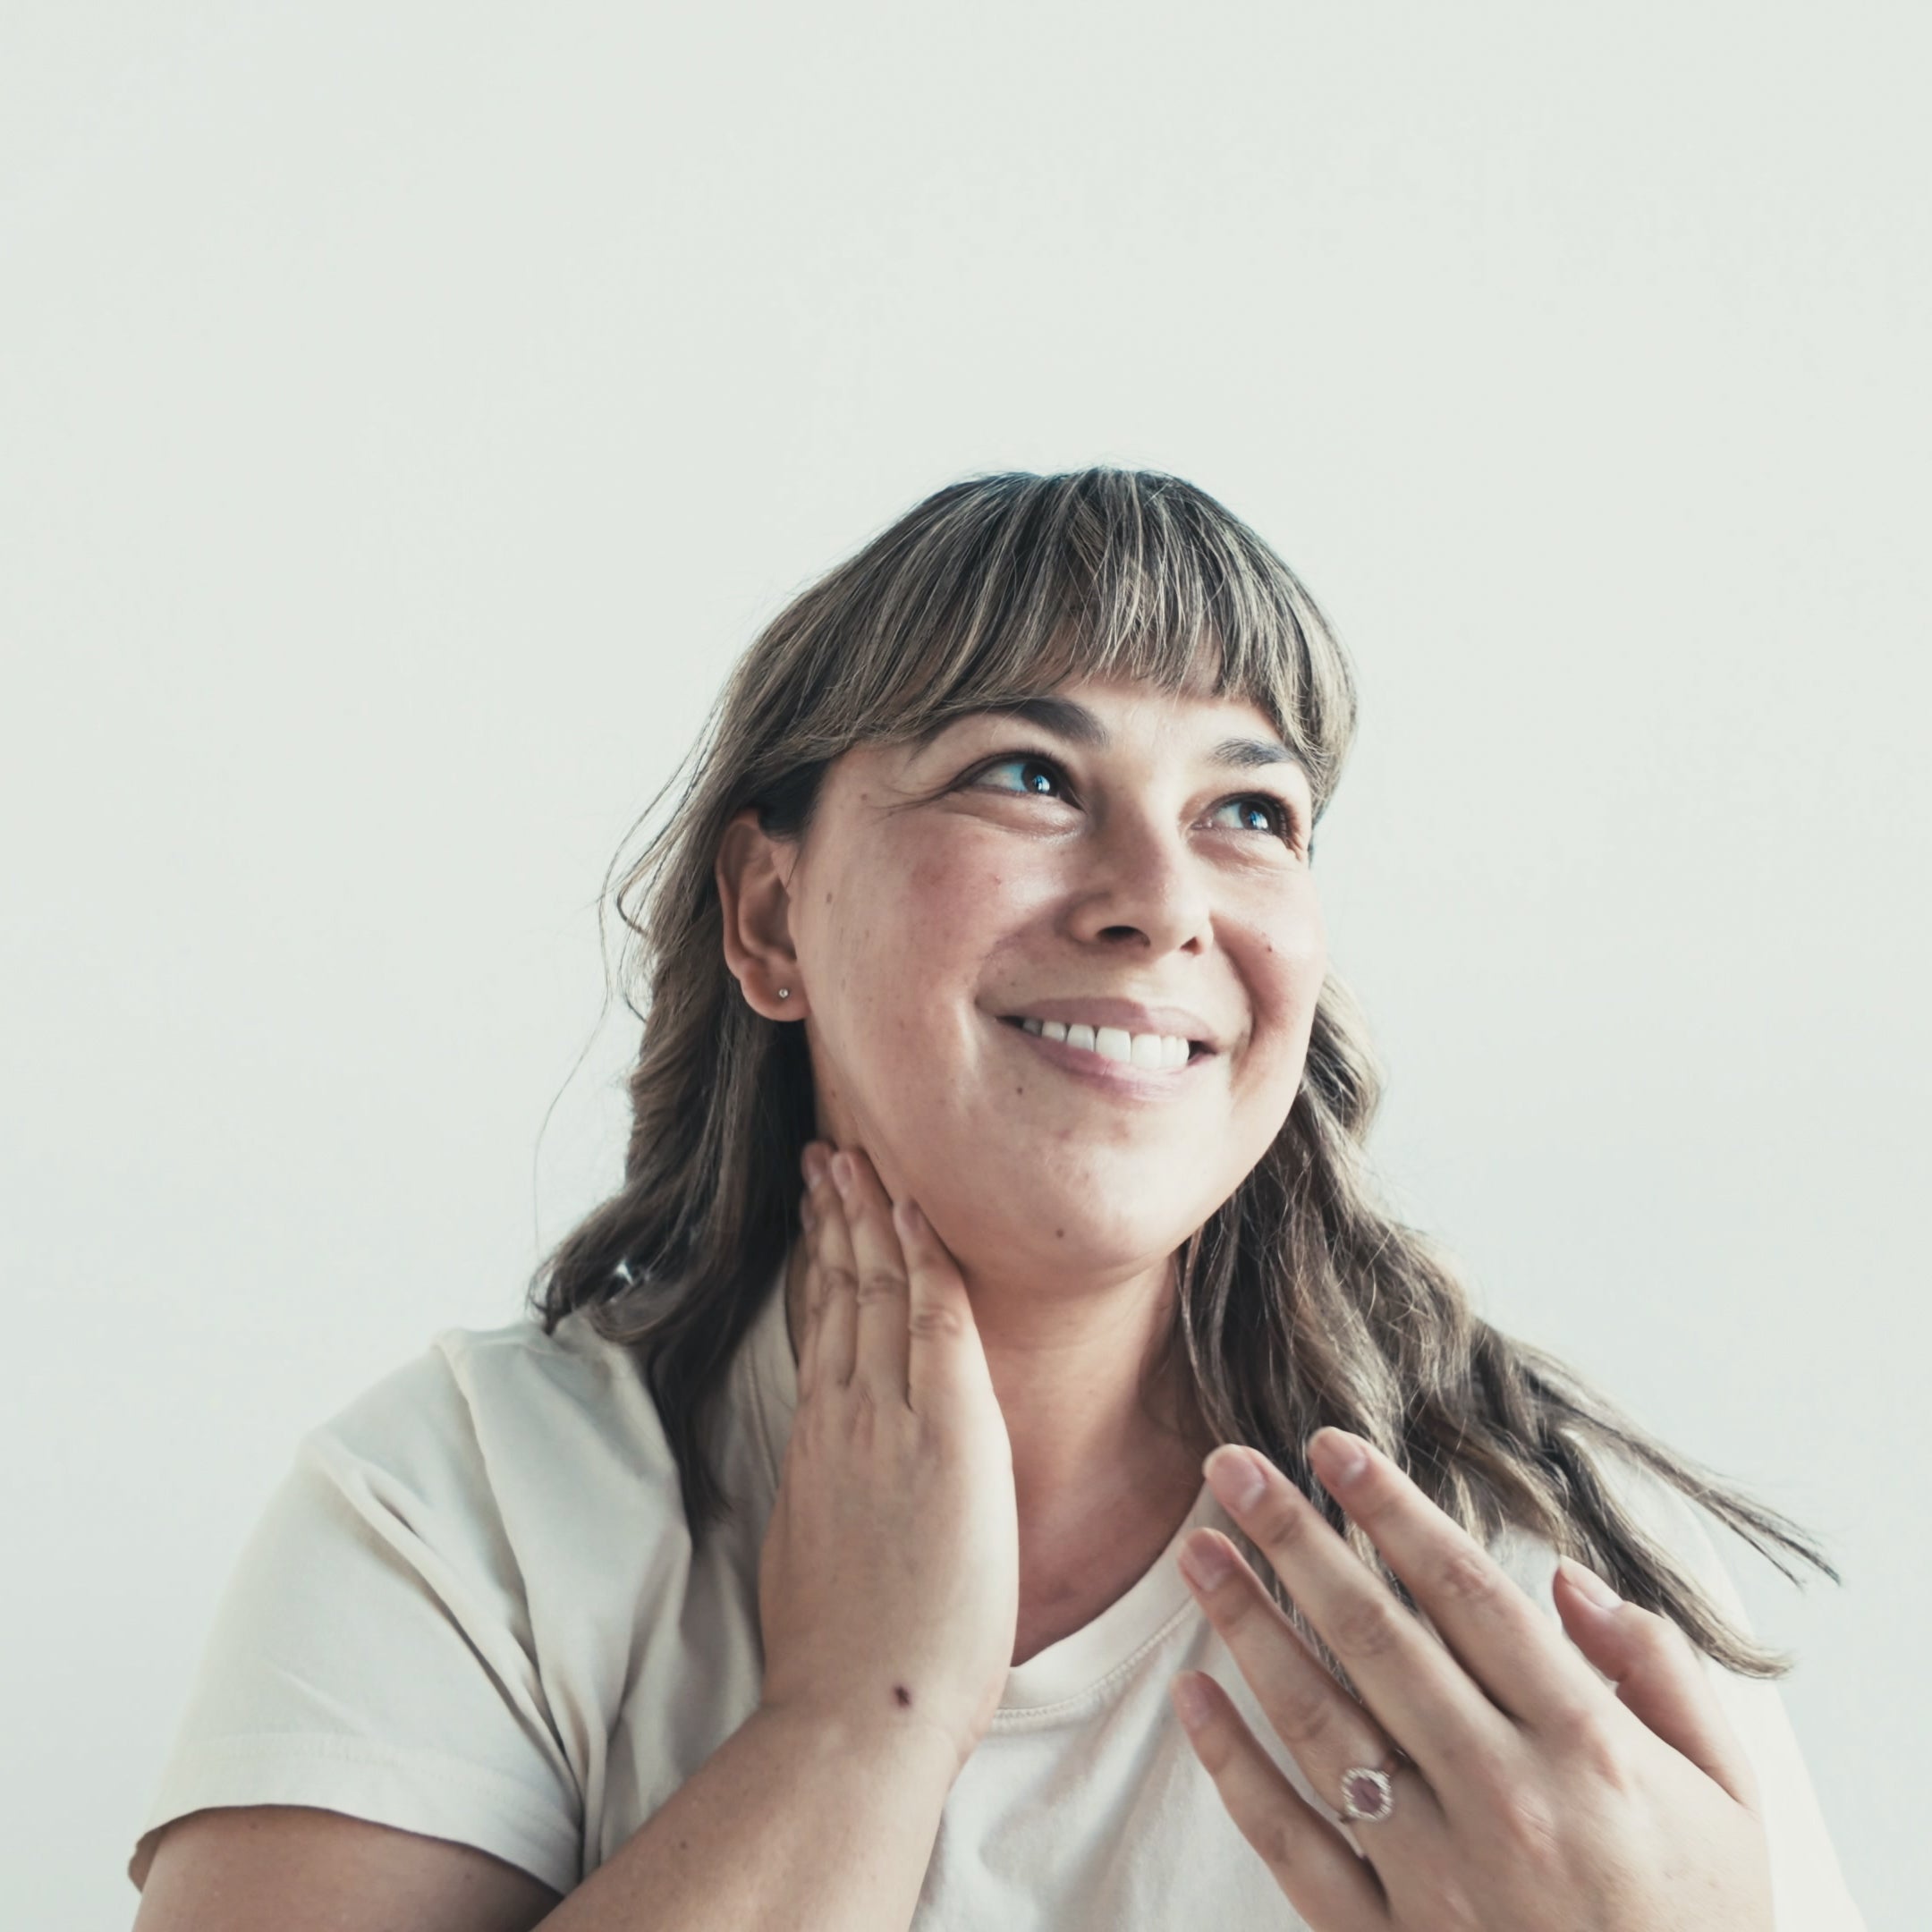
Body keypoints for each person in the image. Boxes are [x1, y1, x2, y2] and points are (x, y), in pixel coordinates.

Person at [127, 469, 1866, 1930]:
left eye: (1249, 809)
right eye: (1027, 775)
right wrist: (858, 1718)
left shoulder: (1547, 1572)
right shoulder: (470, 1511)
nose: (1160, 898)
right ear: (769, 915)